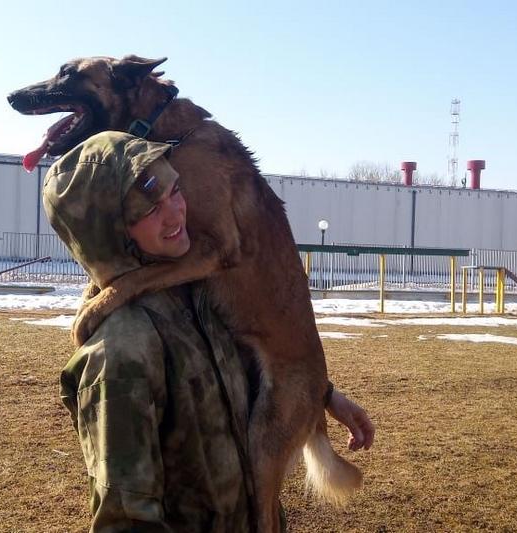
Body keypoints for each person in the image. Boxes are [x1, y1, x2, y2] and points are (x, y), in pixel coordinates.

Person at [43, 131, 375, 532]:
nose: (175, 213)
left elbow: (245, 364)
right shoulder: (121, 351)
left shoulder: (197, 298)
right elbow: (126, 520)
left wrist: (321, 394)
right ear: (110, 234)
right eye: (147, 210)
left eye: (175, 190)